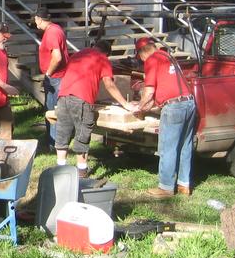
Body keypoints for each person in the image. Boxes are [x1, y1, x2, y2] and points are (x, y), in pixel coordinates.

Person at [133, 37, 197, 198]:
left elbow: (149, 91)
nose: (141, 61)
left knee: (168, 147)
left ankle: (166, 187)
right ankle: (184, 185)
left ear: (142, 52)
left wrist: (139, 108)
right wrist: (149, 106)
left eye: (140, 58)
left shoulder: (152, 60)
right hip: (189, 102)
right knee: (185, 146)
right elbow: (165, 90)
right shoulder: (168, 57)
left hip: (174, 107)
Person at [56, 40, 131, 176]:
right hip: (81, 100)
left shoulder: (78, 54)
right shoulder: (102, 59)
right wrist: (125, 103)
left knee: (62, 134)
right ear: (107, 53)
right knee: (82, 135)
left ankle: (60, 171)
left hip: (63, 97)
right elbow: (109, 84)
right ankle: (81, 172)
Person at [34, 8, 70, 147]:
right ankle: (53, 141)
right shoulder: (55, 29)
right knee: (53, 110)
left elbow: (57, 57)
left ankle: (54, 143)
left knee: (52, 111)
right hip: (57, 77)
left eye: (35, 20)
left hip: (56, 78)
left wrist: (48, 73)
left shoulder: (52, 33)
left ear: (39, 19)